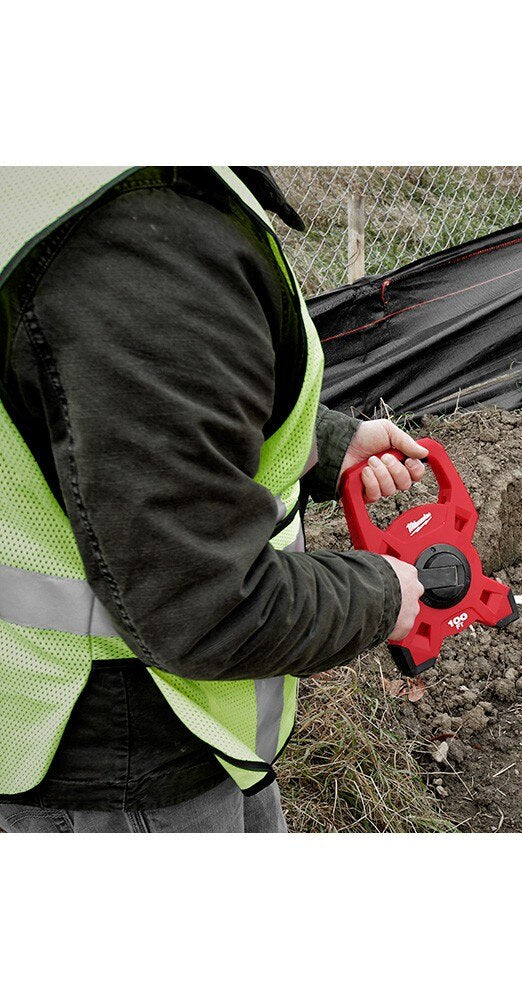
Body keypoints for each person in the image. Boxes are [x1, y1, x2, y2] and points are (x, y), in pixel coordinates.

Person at [0, 166, 426, 832]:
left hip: (119, 728)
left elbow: (118, 408)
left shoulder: (59, 186)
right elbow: (207, 607)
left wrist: (325, 442)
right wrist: (383, 597)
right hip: (124, 761)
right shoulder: (141, 242)